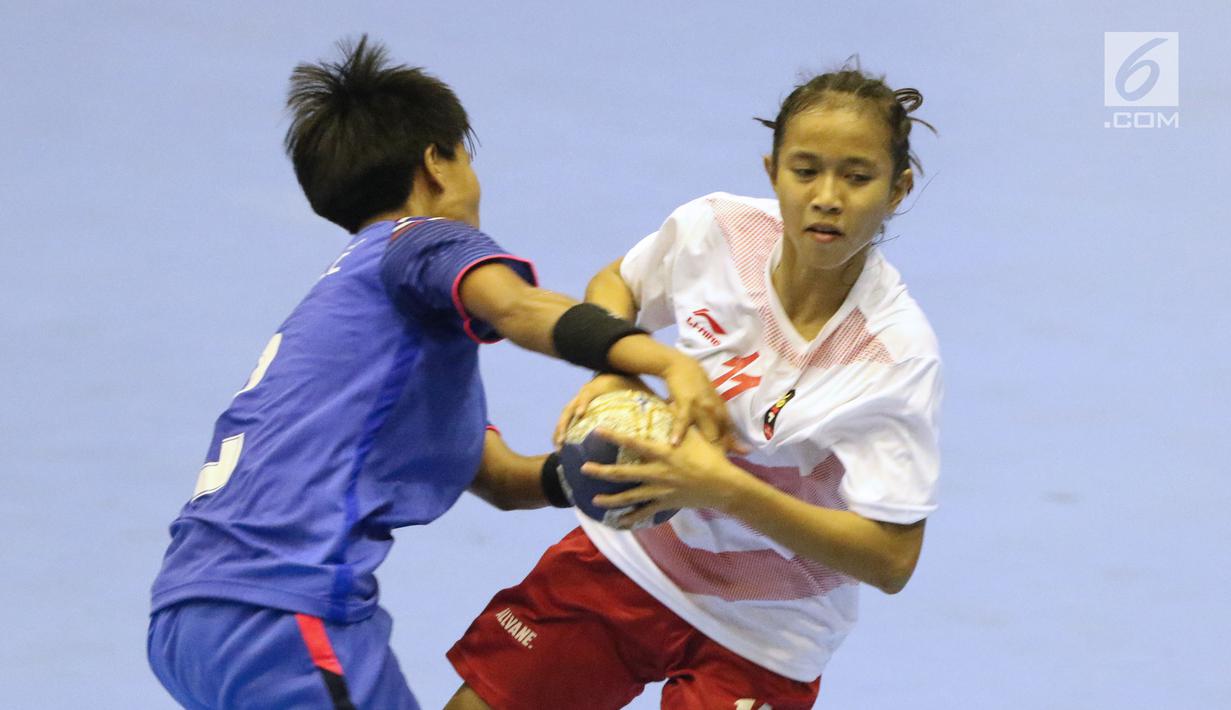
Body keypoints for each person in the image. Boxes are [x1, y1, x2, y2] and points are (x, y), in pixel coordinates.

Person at [146, 36, 732, 710]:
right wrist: (664, 360)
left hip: (190, 618)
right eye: (466, 158)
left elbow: (503, 481)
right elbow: (518, 309)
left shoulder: (364, 337)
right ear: (437, 163)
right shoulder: (419, 239)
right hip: (283, 611)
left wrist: (618, 473)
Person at [445, 67, 943, 710]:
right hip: (629, 558)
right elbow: (615, 285)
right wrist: (616, 379)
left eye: (857, 176)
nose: (827, 197)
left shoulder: (893, 356)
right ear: (772, 172)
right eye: (805, 170)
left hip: (766, 632)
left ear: (898, 188)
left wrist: (720, 488)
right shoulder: (716, 231)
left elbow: (891, 559)